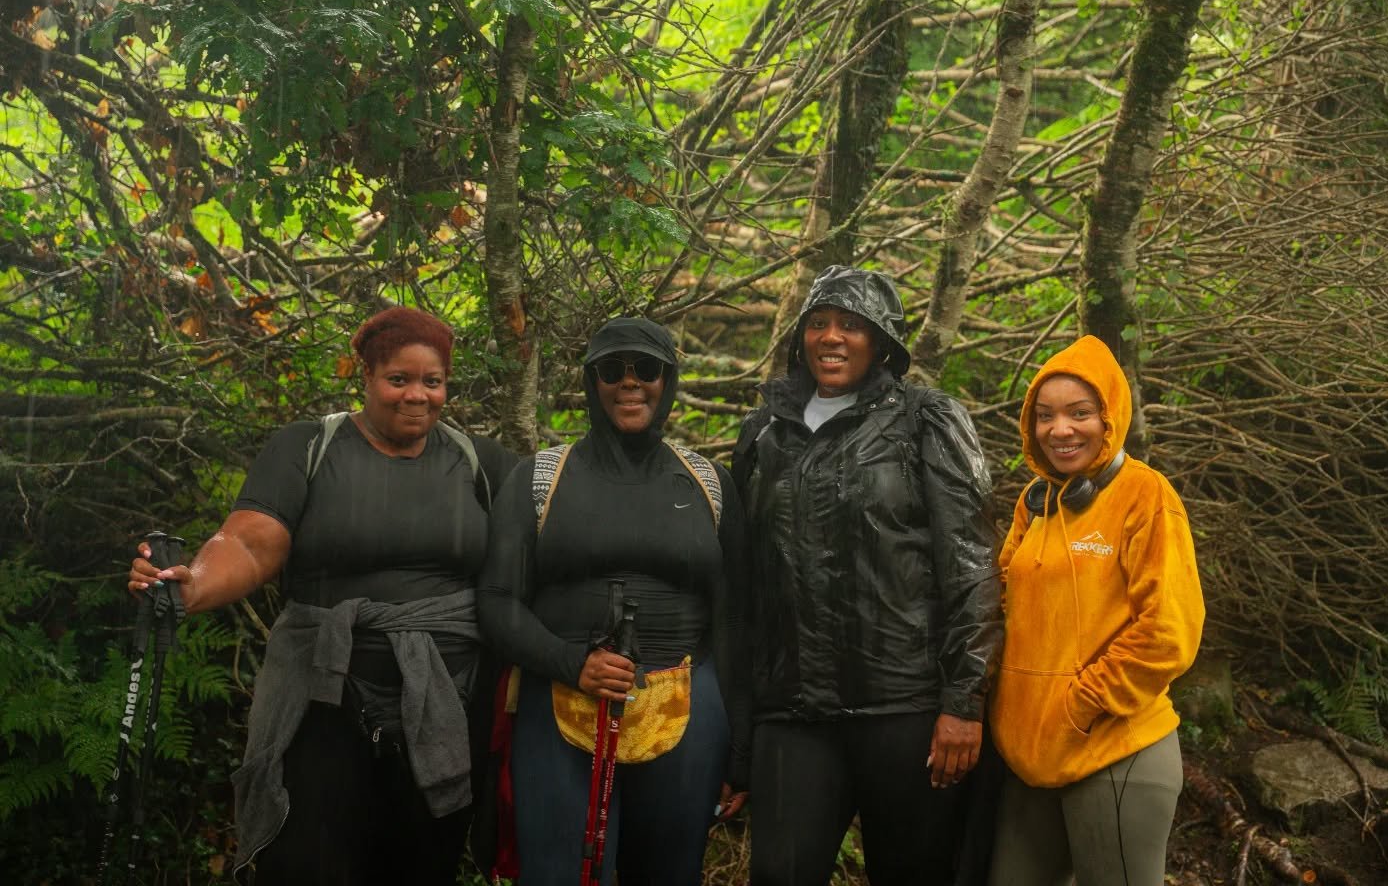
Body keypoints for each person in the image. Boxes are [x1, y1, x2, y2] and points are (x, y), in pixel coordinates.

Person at [126, 306, 517, 885]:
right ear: (367, 376)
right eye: (399, 379)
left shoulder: (480, 463)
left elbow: (548, 543)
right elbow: (249, 541)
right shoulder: (309, 446)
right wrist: (194, 585)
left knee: (421, 866)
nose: (417, 395)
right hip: (323, 698)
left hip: (447, 703)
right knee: (306, 862)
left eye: (432, 382)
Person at [732, 265, 1002, 886]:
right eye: (819, 323)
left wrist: (964, 702)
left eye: (852, 325)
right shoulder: (764, 432)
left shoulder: (927, 420)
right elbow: (745, 582)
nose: (832, 337)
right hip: (792, 712)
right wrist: (743, 718)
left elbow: (971, 565)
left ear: (881, 342)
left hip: (904, 710)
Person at [477, 316, 749, 886]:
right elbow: (498, 601)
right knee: (560, 875)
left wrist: (741, 748)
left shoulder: (709, 484)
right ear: (590, 381)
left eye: (646, 368)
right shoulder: (539, 479)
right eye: (612, 369)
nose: (630, 382)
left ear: (667, 381)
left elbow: (734, 619)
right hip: (560, 701)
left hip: (686, 708)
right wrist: (573, 662)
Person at [986, 334, 1204, 886]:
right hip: (1030, 758)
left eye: (1079, 413)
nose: (1060, 429)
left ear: (1110, 418)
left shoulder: (1146, 495)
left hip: (1115, 752)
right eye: (1045, 416)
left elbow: (1168, 632)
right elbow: (1000, 603)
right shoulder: (1036, 502)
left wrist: (1079, 705)